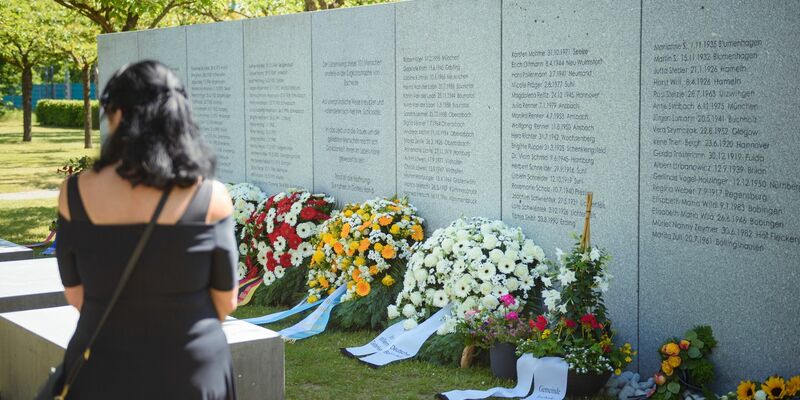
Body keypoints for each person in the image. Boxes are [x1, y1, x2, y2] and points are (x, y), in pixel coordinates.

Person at [55, 60, 238, 399]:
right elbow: (226, 301)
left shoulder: (74, 194)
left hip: (102, 370)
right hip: (191, 371)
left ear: (120, 115)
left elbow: (75, 295)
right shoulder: (212, 198)